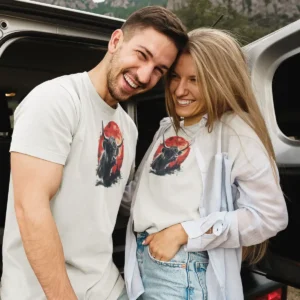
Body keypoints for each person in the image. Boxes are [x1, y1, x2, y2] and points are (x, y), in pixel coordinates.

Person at [1, 6, 188, 300]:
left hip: (106, 287)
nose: (144, 75)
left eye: (158, 71)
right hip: (41, 291)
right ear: (116, 41)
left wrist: (191, 226)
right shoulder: (56, 101)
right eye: (142, 55)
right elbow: (31, 210)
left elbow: (117, 201)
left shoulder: (129, 127)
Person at [124, 28, 288, 300]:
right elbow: (138, 197)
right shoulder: (167, 128)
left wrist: (184, 232)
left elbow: (270, 216)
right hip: (143, 261)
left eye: (194, 80)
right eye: (175, 77)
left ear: (219, 81)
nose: (179, 89)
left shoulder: (234, 131)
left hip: (184, 270)